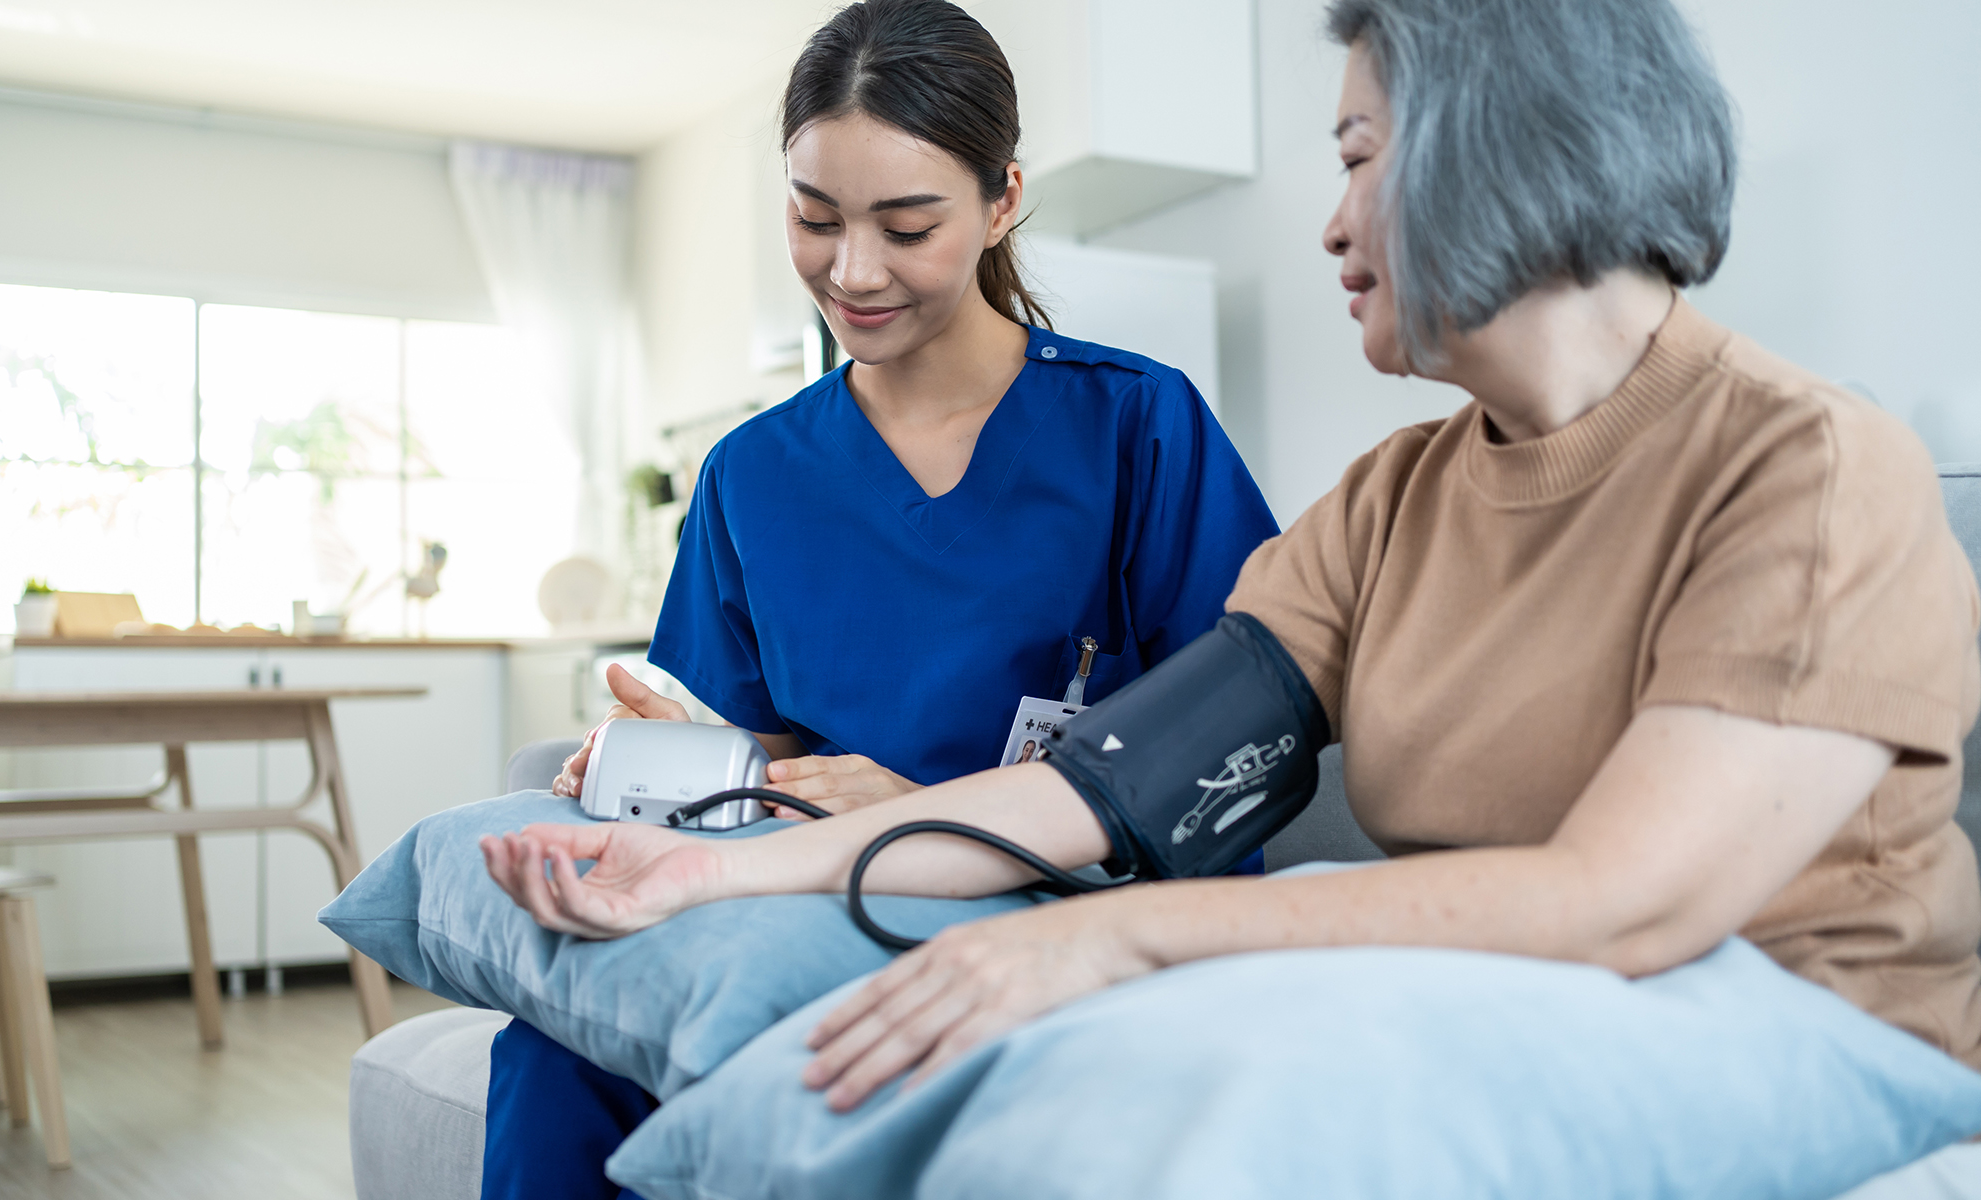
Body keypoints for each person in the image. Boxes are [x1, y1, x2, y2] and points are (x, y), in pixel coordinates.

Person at [487, 0, 1981, 1145]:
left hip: (1800, 1032)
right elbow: (1113, 781)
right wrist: (713, 864)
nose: (1328, 225)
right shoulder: (1394, 502)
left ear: (1502, 145)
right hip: (1511, 1005)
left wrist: (1108, 934)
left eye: (1354, 160)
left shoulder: (1808, 463)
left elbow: (1624, 906)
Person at [478, 1, 1278, 1195]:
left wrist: (929, 811)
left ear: (1002, 200)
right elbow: (748, 747)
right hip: (799, 898)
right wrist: (664, 763)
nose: (851, 273)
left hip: (1060, 907)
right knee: (557, 1048)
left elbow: (1236, 749)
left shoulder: (1135, 427)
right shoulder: (752, 475)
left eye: (907, 226)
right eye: (814, 219)